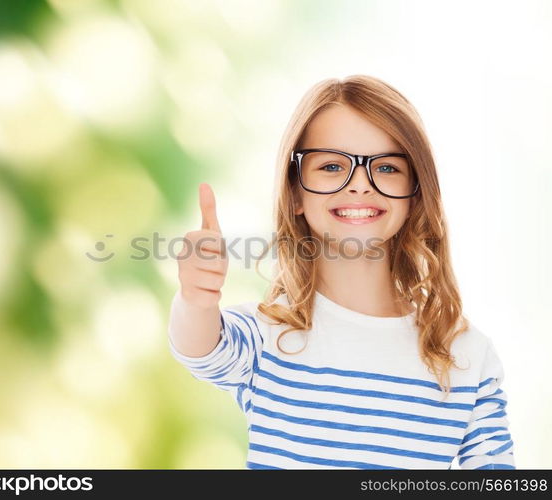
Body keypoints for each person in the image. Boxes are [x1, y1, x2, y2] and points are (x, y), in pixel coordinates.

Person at [167, 75, 515, 470]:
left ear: (416, 194)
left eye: (386, 168)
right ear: (295, 192)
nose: (361, 185)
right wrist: (195, 299)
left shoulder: (466, 354)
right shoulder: (267, 336)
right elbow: (200, 349)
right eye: (333, 166)